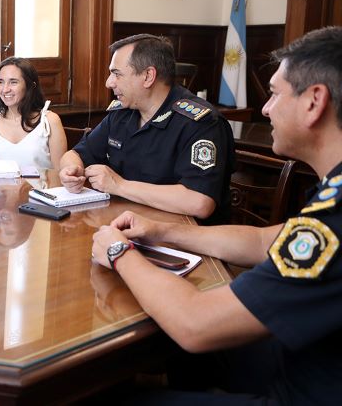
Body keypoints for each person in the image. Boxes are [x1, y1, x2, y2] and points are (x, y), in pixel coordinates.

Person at [91, 26, 342, 404]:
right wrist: (162, 231)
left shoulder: (334, 222)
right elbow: (263, 239)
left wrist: (119, 253)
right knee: (180, 354)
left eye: (274, 94)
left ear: (314, 101)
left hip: (306, 390)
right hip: (311, 353)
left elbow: (196, 323)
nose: (265, 108)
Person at [59, 34, 234, 224]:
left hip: (182, 239)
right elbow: (76, 153)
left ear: (148, 76)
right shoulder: (122, 113)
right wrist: (71, 172)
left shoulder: (200, 123)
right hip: (125, 225)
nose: (109, 83)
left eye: (117, 74)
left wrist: (120, 186)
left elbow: (200, 202)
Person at [0, 57, 67, 171]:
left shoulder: (50, 121)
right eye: (1, 82)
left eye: (13, 82)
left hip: (42, 189)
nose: (5, 89)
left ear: (30, 85)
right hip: (2, 189)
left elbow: (60, 175)